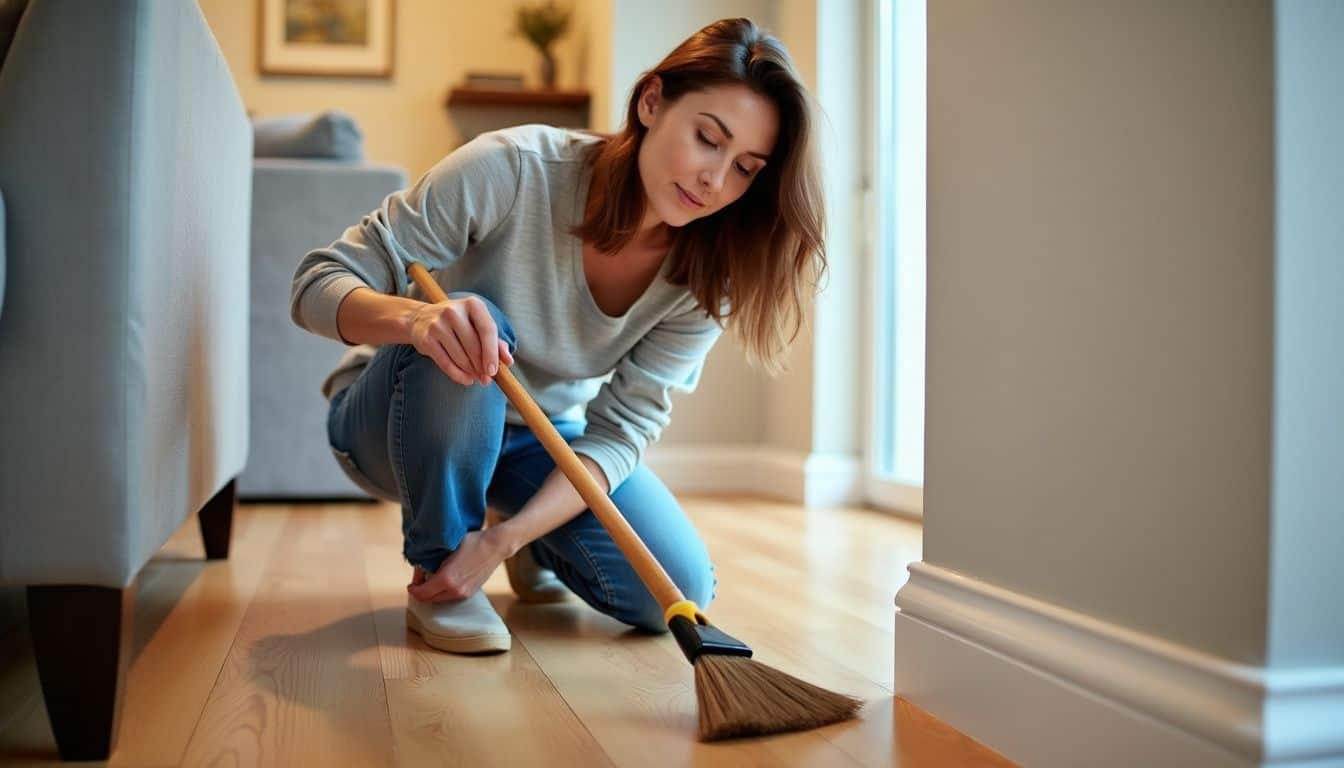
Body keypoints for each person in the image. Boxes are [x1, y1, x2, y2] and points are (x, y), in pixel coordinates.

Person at [290, 17, 826, 654]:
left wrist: (504, 540)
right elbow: (316, 282)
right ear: (652, 102)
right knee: (470, 319)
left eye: (744, 168)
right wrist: (418, 321)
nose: (715, 181)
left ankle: (510, 529)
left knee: (675, 590)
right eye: (708, 139)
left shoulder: (707, 274)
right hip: (398, 424)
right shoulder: (514, 168)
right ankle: (441, 574)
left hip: (536, 437)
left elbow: (622, 429)